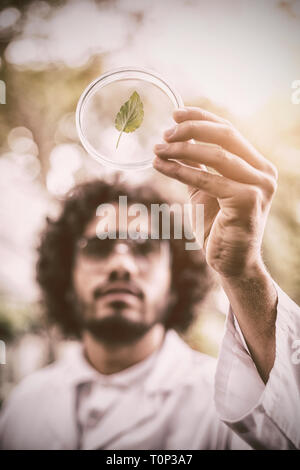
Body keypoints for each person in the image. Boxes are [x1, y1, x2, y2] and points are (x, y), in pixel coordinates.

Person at [0, 107, 299, 450]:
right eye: (99, 247)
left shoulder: (229, 407)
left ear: (176, 282)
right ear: (66, 278)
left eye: (144, 248)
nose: (122, 264)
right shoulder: (24, 407)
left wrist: (243, 272)